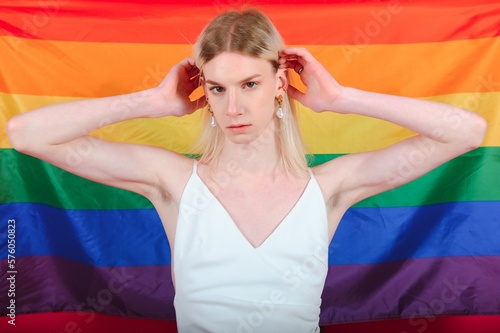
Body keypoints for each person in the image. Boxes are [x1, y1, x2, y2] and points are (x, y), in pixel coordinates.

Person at [7, 8, 486, 333]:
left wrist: (341, 99)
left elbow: (466, 131)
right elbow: (26, 134)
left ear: (280, 82)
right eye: (217, 88)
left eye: (249, 83)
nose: (232, 106)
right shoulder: (173, 181)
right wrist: (151, 102)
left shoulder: (329, 188)